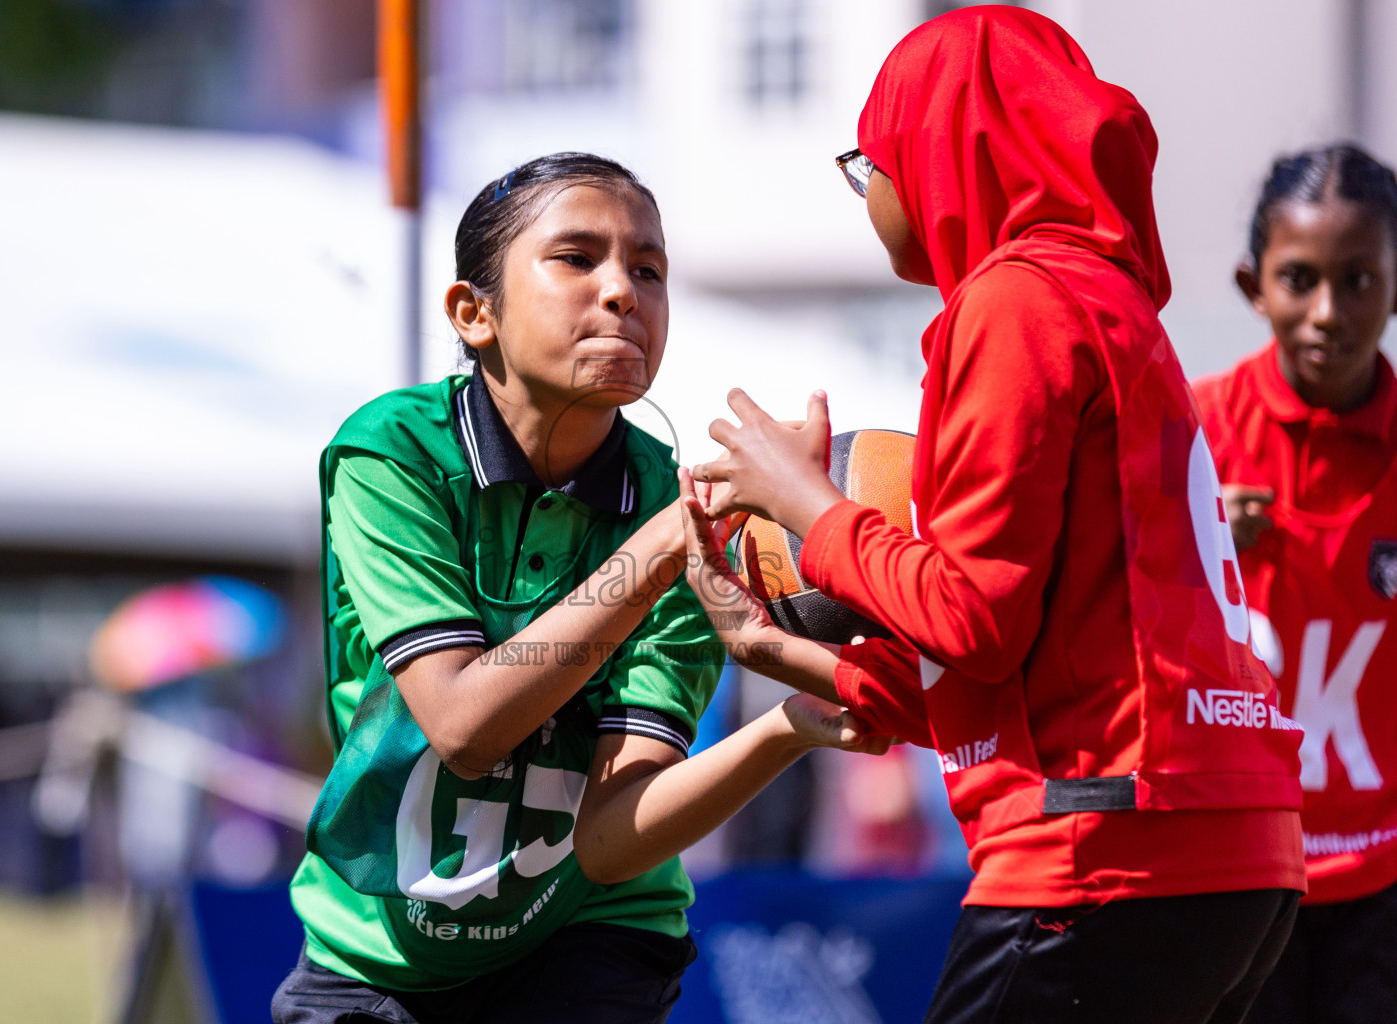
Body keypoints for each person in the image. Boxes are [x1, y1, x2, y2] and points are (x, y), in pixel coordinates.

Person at [677, 9, 1306, 1023]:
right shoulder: (1111, 302)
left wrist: (809, 506)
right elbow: (1004, 676)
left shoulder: (1014, 301)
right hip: (1229, 843)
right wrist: (762, 640)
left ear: (937, 148)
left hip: (1102, 847)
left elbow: (973, 614)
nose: (866, 192)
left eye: (865, 163)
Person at [271, 152, 886, 1024]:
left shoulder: (687, 509)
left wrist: (789, 730)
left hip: (592, 931)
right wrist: (668, 541)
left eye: (648, 268)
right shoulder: (392, 454)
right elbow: (464, 728)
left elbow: (608, 841)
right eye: (576, 258)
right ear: (472, 313)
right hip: (378, 948)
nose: (623, 291)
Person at [1194, 144, 1397, 1024]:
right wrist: (1188, 542)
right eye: (1299, 278)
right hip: (1236, 866)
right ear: (1253, 284)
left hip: (1386, 874)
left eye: (1358, 281)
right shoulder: (1193, 431)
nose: (1328, 312)